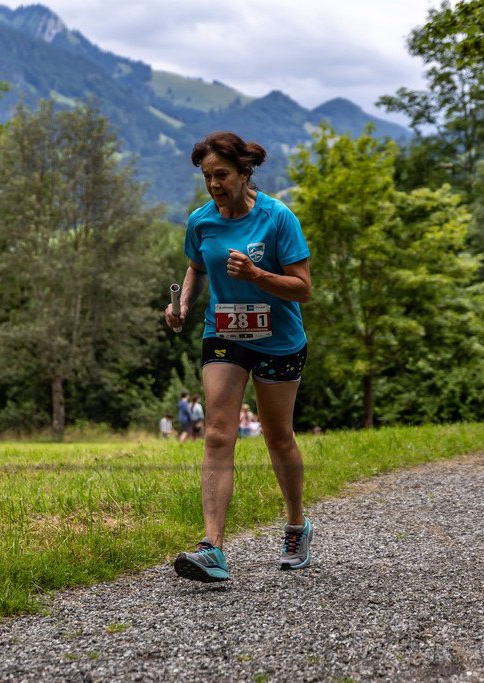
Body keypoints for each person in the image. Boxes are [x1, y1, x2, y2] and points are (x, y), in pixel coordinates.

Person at [165, 130, 313, 583]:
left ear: (245, 172)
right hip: (224, 333)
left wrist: (256, 274)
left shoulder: (278, 217)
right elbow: (195, 265)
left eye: (222, 175)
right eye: (207, 176)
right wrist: (184, 304)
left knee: (277, 437)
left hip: (277, 338)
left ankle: (295, 525)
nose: (214, 184)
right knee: (216, 432)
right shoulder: (201, 221)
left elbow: (303, 288)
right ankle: (213, 548)